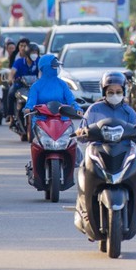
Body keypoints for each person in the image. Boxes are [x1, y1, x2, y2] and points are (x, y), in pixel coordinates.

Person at [75, 72, 136, 236]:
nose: (115, 95)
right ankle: (84, 207)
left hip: (123, 152)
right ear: (104, 92)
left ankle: (134, 211)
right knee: (83, 170)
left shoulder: (129, 112)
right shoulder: (94, 109)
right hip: (99, 151)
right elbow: (83, 129)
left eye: (118, 91)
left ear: (124, 92)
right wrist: (81, 131)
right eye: (110, 91)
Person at [24, 54, 82, 187]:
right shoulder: (36, 86)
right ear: (45, 68)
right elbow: (30, 102)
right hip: (41, 120)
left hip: (62, 119)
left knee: (72, 142)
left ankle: (72, 164)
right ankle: (35, 166)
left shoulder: (62, 84)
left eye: (57, 67)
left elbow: (71, 100)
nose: (55, 69)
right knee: (37, 144)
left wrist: (77, 108)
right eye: (53, 67)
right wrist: (28, 109)